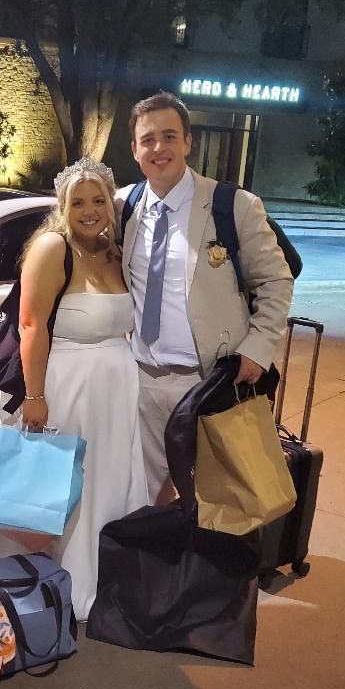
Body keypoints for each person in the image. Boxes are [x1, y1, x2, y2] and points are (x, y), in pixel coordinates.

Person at [0, 159, 148, 620]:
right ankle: (50, 574)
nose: (89, 210)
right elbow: (30, 324)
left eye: (98, 200)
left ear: (110, 204)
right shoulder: (50, 247)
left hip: (114, 391)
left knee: (103, 480)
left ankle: (99, 571)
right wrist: (36, 397)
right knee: (53, 483)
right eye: (77, 201)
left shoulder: (114, 252)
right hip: (65, 385)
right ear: (62, 205)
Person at [118, 91, 294, 505]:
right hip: (141, 378)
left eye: (169, 136)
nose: (158, 148)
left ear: (188, 142)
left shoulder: (232, 205)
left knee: (220, 499)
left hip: (211, 380)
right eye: (148, 139)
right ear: (135, 149)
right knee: (143, 495)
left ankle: (216, 569)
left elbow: (276, 281)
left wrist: (256, 349)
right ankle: (163, 567)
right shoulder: (122, 206)